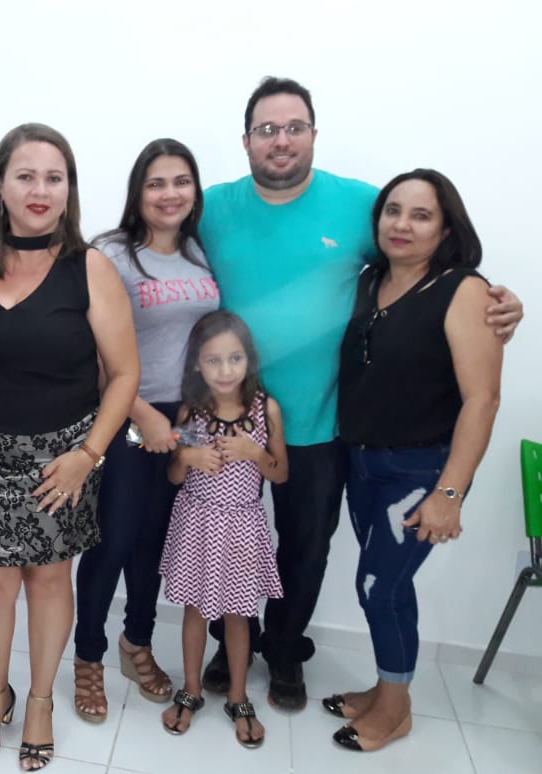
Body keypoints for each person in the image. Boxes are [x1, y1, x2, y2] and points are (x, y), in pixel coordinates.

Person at [197, 76, 524, 710]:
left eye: (295, 127)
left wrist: (499, 301)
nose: (281, 140)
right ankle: (231, 640)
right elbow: (152, 248)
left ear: (314, 134)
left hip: (321, 421)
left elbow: (425, 260)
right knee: (225, 535)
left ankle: (284, 648)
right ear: (246, 141)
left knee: (305, 549)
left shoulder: (361, 206)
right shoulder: (211, 208)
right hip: (229, 416)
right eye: (267, 129)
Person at [0, 123, 140, 770]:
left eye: (55, 177)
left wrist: (88, 455)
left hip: (64, 458)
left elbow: (125, 375)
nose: (40, 190)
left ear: (69, 189)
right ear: (0, 185)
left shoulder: (90, 268)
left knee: (50, 580)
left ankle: (42, 701)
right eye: (25, 175)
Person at [327, 169, 501, 751]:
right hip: (362, 463)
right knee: (387, 587)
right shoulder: (369, 280)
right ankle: (385, 689)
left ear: (446, 228)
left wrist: (449, 493)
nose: (402, 224)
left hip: (421, 471)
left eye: (421, 215)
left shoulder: (463, 290)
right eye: (393, 211)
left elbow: (483, 399)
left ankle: (396, 710)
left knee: (379, 587)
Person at [72, 139, 219, 721]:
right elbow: (91, 348)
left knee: (157, 540)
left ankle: (136, 642)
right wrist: (142, 413)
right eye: (156, 183)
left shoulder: (200, 252)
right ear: (138, 192)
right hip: (129, 414)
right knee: (114, 538)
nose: (169, 194)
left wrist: (194, 408)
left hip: (187, 419)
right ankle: (88, 656)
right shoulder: (111, 253)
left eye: (181, 181)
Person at [159, 310, 287, 747]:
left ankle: (238, 696)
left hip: (243, 526)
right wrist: (185, 457)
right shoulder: (192, 413)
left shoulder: (265, 410)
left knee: (239, 613)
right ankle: (191, 689)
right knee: (195, 609)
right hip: (197, 523)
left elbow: (281, 474)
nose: (225, 370)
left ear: (249, 360)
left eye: (235, 358)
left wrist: (255, 453)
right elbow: (174, 476)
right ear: (197, 364)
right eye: (213, 360)